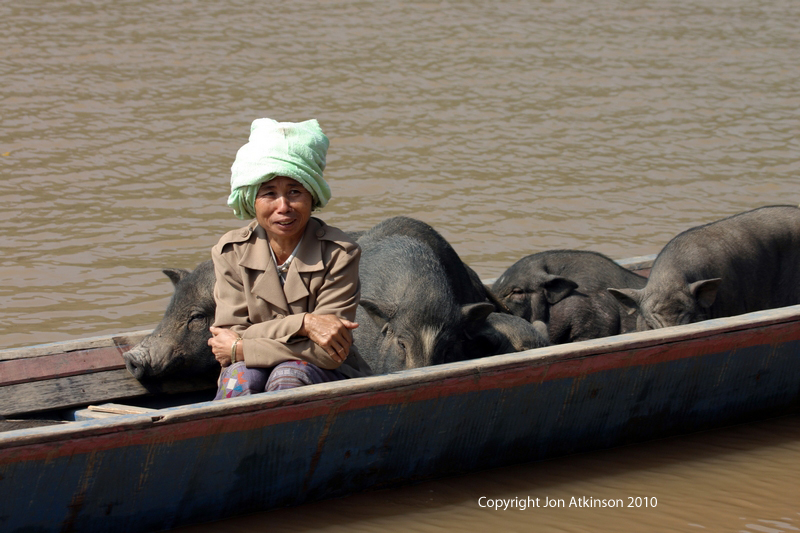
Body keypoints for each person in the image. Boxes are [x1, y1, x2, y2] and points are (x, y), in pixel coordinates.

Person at [208, 118, 371, 399]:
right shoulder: (230, 251)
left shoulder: (340, 253)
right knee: (240, 379)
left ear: (311, 196)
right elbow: (228, 336)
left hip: (324, 369)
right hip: (250, 364)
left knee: (287, 376)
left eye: (294, 192)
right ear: (251, 201)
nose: (283, 207)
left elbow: (330, 353)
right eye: (269, 193)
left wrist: (244, 347)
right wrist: (305, 324)